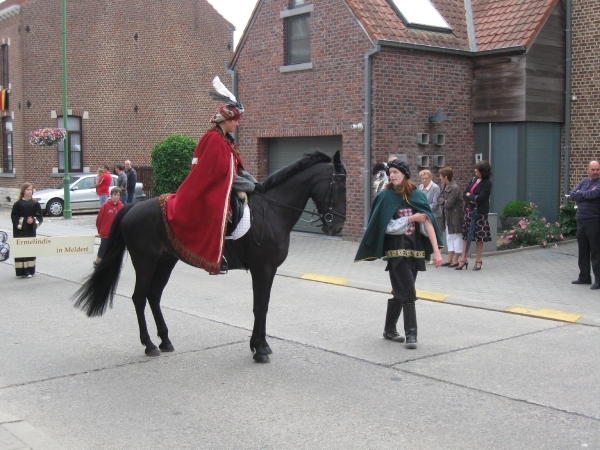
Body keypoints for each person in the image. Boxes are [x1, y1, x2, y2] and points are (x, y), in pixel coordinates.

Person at [164, 78, 256, 274]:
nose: (237, 125)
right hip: (208, 189)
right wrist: (248, 185)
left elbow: (235, 168)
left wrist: (253, 181)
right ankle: (218, 254)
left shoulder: (226, 140)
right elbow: (218, 174)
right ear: (227, 120)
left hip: (223, 184)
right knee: (220, 211)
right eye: (235, 121)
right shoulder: (214, 139)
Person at [355, 159, 443, 350]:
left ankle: (389, 329)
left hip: (416, 250)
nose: (392, 175)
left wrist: (436, 252)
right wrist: (411, 218)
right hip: (396, 251)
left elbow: (428, 223)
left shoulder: (417, 195)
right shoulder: (385, 196)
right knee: (408, 291)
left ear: (405, 173)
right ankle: (411, 334)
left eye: (395, 172)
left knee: (400, 290)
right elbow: (385, 227)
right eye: (390, 172)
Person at [569, 160, 600, 289]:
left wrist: (581, 194)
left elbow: (595, 193)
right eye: (593, 169)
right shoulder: (584, 182)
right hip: (581, 221)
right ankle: (584, 277)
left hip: (594, 221)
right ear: (588, 170)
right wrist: (583, 194)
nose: (595, 172)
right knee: (583, 251)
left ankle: (598, 280)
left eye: (597, 169)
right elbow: (572, 195)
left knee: (596, 252)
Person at [456, 160, 492, 271]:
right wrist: (472, 198)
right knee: (466, 236)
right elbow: (464, 194)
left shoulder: (487, 183)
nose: (475, 170)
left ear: (482, 171)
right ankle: (463, 259)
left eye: (477, 169)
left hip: (480, 213)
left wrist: (471, 197)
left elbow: (480, 198)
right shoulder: (474, 180)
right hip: (469, 212)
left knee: (479, 238)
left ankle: (478, 260)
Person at [11, 182, 43, 278]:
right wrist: (25, 221)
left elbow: (39, 216)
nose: (30, 191)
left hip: (30, 230)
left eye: (31, 190)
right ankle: (22, 271)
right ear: (23, 191)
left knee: (30, 248)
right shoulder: (18, 204)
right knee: (21, 249)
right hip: (20, 231)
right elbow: (14, 217)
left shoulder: (35, 204)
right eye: (28, 189)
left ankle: (30, 270)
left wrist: (32, 220)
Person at [438, 167, 464, 267]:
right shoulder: (443, 185)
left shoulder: (454, 188)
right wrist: (444, 201)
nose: (440, 178)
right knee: (449, 237)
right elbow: (439, 199)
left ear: (446, 177)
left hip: (455, 216)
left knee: (456, 236)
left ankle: (456, 259)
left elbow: (449, 204)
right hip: (447, 215)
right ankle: (449, 259)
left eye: (441, 176)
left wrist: (444, 201)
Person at [95, 187, 125, 268]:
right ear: (111, 195)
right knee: (103, 248)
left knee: (113, 249)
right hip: (105, 233)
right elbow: (99, 219)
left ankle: (111, 264)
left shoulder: (121, 207)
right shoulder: (105, 205)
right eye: (114, 194)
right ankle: (97, 261)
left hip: (115, 234)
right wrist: (99, 231)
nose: (116, 197)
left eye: (118, 195)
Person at [418, 169, 443, 263]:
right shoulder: (420, 187)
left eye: (426, 178)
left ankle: (436, 256)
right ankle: (426, 256)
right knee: (424, 234)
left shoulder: (435, 187)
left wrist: (426, 211)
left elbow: (435, 203)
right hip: (422, 214)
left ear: (430, 178)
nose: (424, 180)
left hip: (433, 215)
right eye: (422, 178)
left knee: (434, 235)